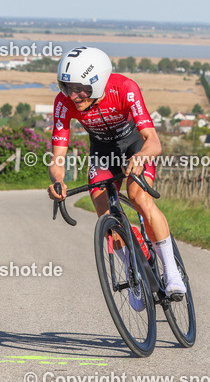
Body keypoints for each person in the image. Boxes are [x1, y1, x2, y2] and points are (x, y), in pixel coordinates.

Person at [46, 46, 186, 300]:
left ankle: (172, 272)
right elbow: (56, 158)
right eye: (67, 88)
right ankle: (133, 268)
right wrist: (57, 181)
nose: (74, 96)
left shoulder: (124, 87)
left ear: (98, 81)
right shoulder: (63, 103)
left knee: (139, 197)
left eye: (80, 88)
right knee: (103, 211)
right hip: (102, 151)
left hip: (135, 145)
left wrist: (141, 157)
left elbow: (153, 142)